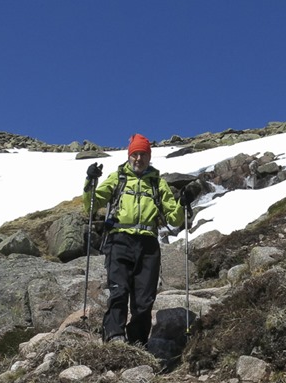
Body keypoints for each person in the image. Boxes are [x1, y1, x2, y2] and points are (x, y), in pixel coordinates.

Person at [83, 133, 199, 345]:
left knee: (144, 299)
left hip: (148, 245)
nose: (139, 158)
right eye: (135, 154)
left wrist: (182, 204)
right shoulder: (118, 178)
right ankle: (114, 336)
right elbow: (91, 204)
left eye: (143, 154)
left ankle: (137, 342)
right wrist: (90, 181)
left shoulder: (157, 183)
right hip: (119, 240)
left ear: (149, 157)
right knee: (118, 291)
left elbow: (174, 218)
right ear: (129, 156)